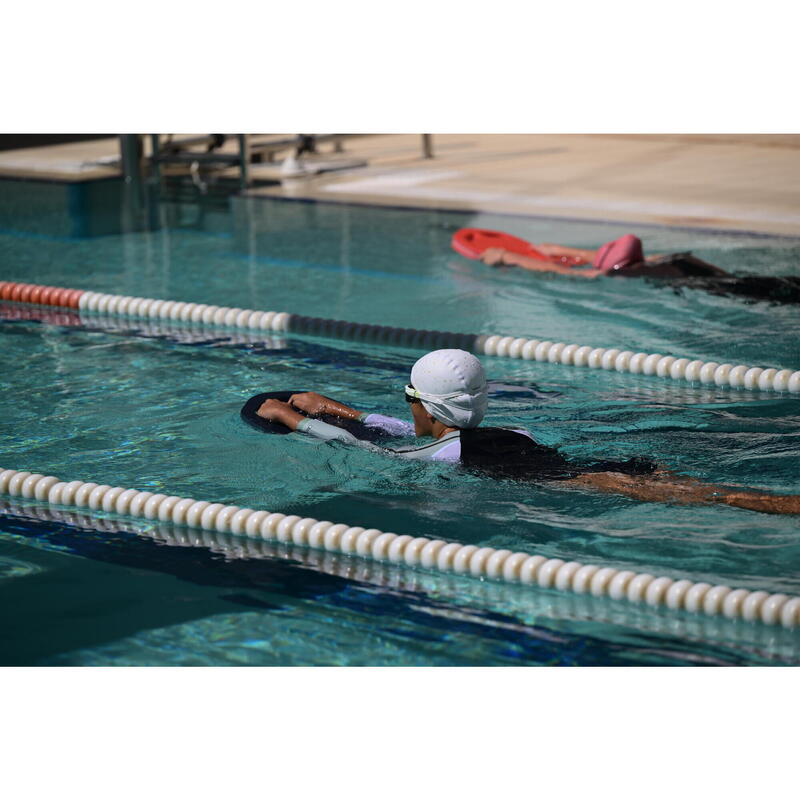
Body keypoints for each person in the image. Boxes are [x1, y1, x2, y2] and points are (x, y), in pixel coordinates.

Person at [256, 349, 800, 515]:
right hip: (590, 469)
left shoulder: (441, 459)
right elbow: (405, 430)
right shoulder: (503, 430)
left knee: (717, 499)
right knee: (687, 487)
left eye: (409, 398)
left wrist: (296, 420)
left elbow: (377, 452)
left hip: (588, 485)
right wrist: (341, 408)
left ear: (425, 406)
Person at [481, 234, 800, 303]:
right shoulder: (666, 259)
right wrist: (559, 249)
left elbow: (577, 274)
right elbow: (596, 256)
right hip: (747, 282)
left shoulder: (627, 272)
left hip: (738, 291)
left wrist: (513, 258)